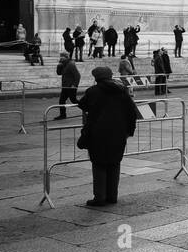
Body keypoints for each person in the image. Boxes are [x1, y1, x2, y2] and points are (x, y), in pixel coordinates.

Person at [77, 64, 141, 207]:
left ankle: (99, 197)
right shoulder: (122, 90)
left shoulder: (93, 91)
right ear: (111, 76)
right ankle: (112, 196)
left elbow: (82, 105)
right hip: (119, 133)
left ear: (96, 78)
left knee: (99, 164)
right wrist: (129, 131)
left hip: (98, 133)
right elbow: (132, 113)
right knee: (114, 163)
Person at [55, 50, 81, 120]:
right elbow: (59, 73)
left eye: (62, 56)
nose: (61, 58)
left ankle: (87, 109)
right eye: (60, 56)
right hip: (65, 86)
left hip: (71, 87)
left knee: (74, 100)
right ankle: (62, 115)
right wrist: (59, 65)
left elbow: (77, 76)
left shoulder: (71, 64)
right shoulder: (63, 64)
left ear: (66, 57)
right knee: (61, 101)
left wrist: (74, 85)